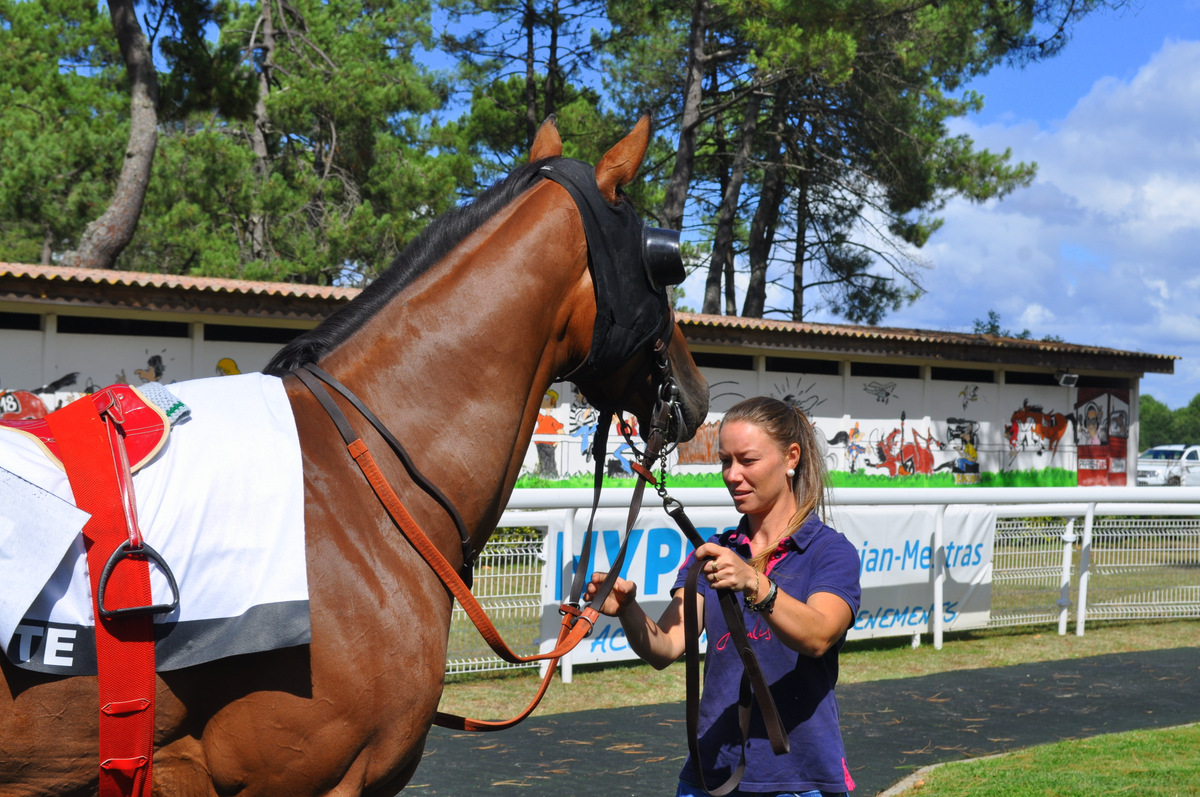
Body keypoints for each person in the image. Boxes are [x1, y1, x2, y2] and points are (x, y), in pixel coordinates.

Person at [586, 396, 861, 796]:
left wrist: (754, 582)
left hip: (798, 779)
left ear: (791, 458)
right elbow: (665, 647)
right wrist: (628, 610)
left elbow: (818, 636)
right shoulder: (714, 551)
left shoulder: (829, 551)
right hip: (709, 776)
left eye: (747, 460)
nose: (732, 475)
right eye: (724, 461)